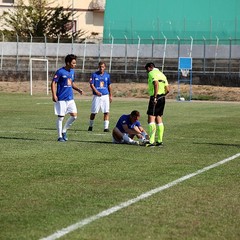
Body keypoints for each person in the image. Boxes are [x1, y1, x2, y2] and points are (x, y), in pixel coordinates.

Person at [51, 54, 83, 142]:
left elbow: (71, 83)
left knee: (74, 116)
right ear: (68, 63)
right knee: (61, 117)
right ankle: (59, 136)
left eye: (75, 63)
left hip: (70, 98)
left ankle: (64, 130)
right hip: (61, 98)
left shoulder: (72, 72)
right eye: (73, 63)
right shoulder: (60, 71)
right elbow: (53, 83)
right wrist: (54, 94)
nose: (75, 64)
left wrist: (78, 89)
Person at [145, 62, 170, 147]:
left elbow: (156, 83)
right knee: (159, 118)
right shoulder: (162, 74)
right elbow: (168, 89)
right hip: (162, 97)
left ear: (149, 68)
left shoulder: (152, 73)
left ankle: (151, 141)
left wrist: (155, 97)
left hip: (155, 97)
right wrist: (162, 96)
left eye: (147, 70)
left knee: (151, 118)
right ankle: (159, 141)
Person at [88, 61, 112, 132]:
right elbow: (91, 84)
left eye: (103, 67)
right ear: (98, 67)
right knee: (94, 112)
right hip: (97, 96)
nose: (101, 68)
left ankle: (106, 128)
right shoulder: (94, 75)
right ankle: (90, 126)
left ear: (105, 67)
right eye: (100, 67)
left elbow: (109, 85)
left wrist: (110, 95)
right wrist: (96, 91)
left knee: (106, 111)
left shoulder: (107, 76)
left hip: (105, 96)